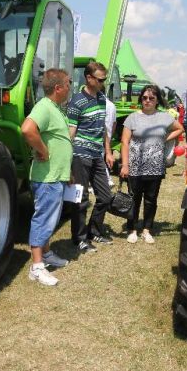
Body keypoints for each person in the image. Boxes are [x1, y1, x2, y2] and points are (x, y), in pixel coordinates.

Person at [21, 69, 73, 286]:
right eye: (68, 83)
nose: (71, 87)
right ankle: (37, 266)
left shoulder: (55, 109)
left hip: (56, 176)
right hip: (47, 178)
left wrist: (66, 172)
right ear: (58, 88)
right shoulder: (44, 107)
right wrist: (42, 150)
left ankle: (47, 253)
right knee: (43, 219)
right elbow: (27, 129)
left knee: (49, 218)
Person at [120, 84, 184, 244]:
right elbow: (124, 142)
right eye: (144, 98)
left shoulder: (164, 117)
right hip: (135, 166)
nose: (147, 101)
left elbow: (179, 128)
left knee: (151, 199)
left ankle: (147, 229)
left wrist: (164, 138)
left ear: (157, 100)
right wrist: (125, 165)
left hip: (155, 166)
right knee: (134, 198)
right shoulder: (132, 118)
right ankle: (133, 229)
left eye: (151, 98)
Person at [67, 60, 115, 254]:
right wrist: (67, 159)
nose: (103, 82)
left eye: (104, 79)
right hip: (80, 155)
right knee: (81, 199)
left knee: (105, 196)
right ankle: (78, 238)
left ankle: (94, 230)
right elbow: (71, 132)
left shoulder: (102, 98)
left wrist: (108, 151)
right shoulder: (76, 101)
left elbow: (103, 127)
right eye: (100, 79)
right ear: (89, 78)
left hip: (97, 155)